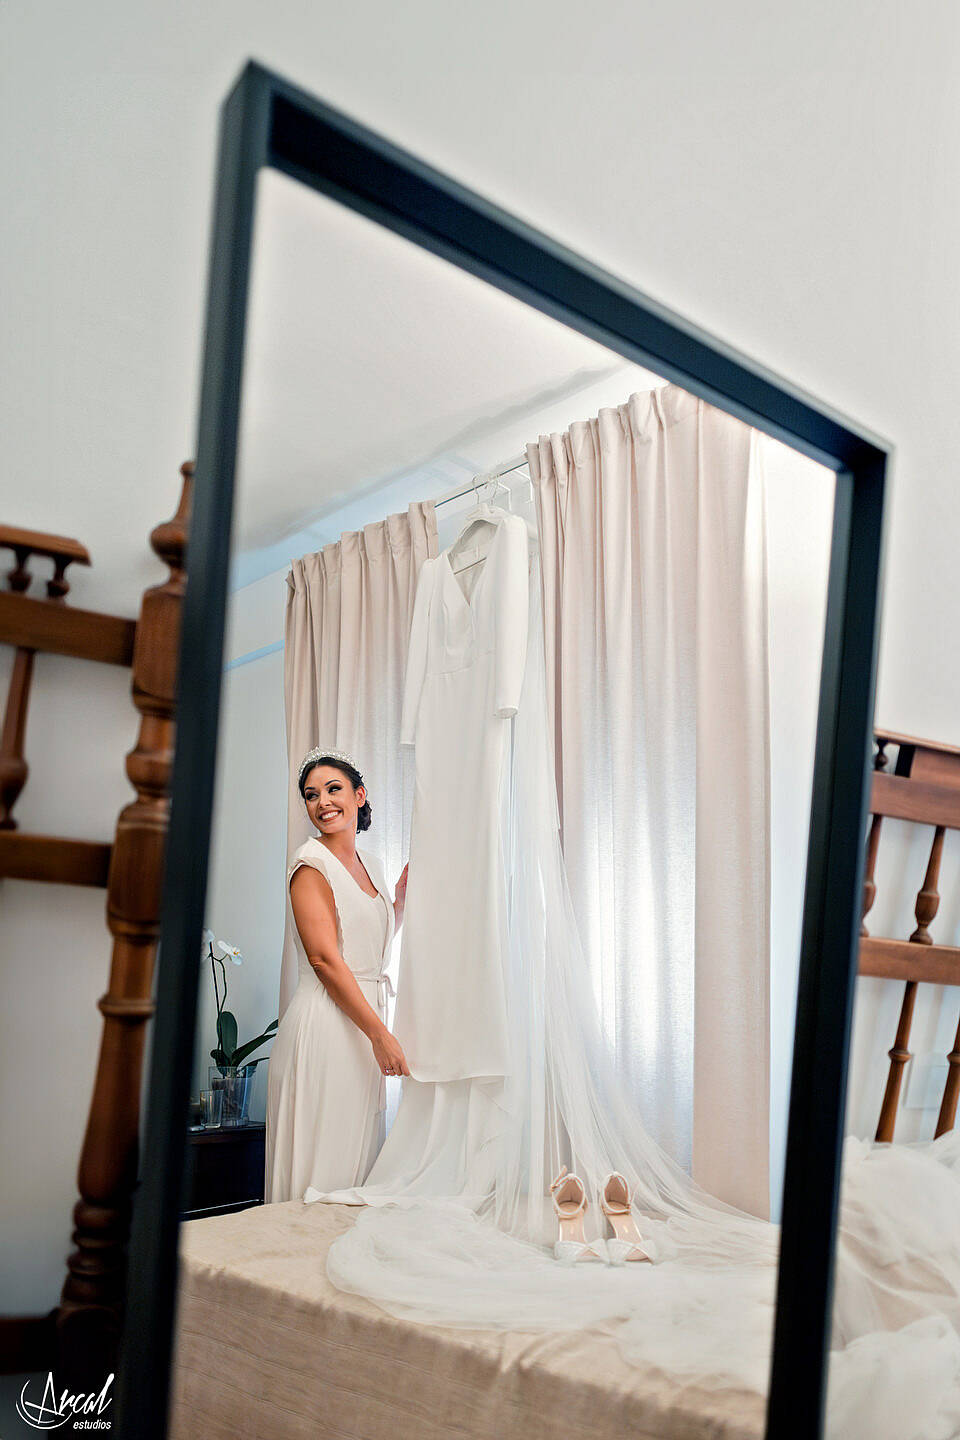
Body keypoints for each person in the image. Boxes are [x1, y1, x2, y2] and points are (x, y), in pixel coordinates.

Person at [265, 747, 409, 1202]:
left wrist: (399, 903)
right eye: (311, 795)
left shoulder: (374, 866)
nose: (323, 802)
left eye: (333, 789)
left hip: (360, 1024)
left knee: (354, 1166)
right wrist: (380, 1034)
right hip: (328, 1024)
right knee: (321, 1167)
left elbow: (366, 945)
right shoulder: (310, 864)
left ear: (359, 796)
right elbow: (326, 960)